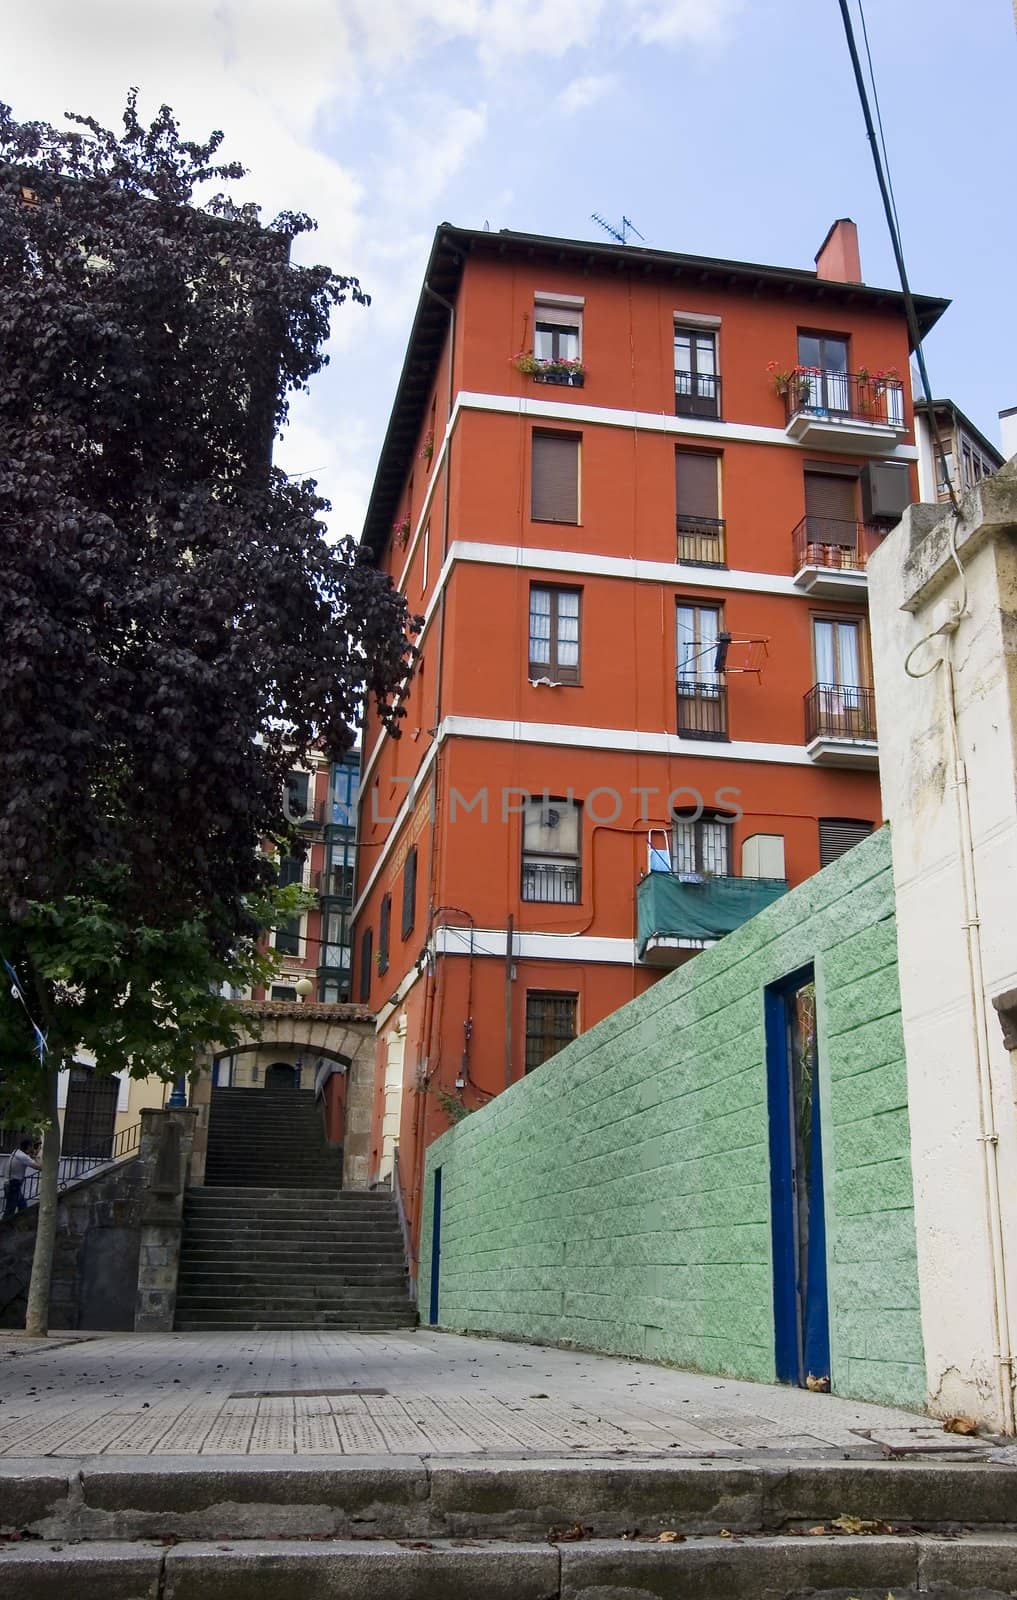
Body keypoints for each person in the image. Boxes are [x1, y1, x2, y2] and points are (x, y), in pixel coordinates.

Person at [3, 1139, 42, 1218]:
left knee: (23, 1206)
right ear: (28, 1147)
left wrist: (32, 1155)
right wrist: (36, 1157)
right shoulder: (23, 1157)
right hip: (13, 1184)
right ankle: (4, 1229)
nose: (33, 1148)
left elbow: (26, 1158)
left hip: (11, 1184)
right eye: (32, 1146)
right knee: (10, 1210)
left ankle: (22, 1225)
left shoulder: (16, 1152)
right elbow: (40, 1167)